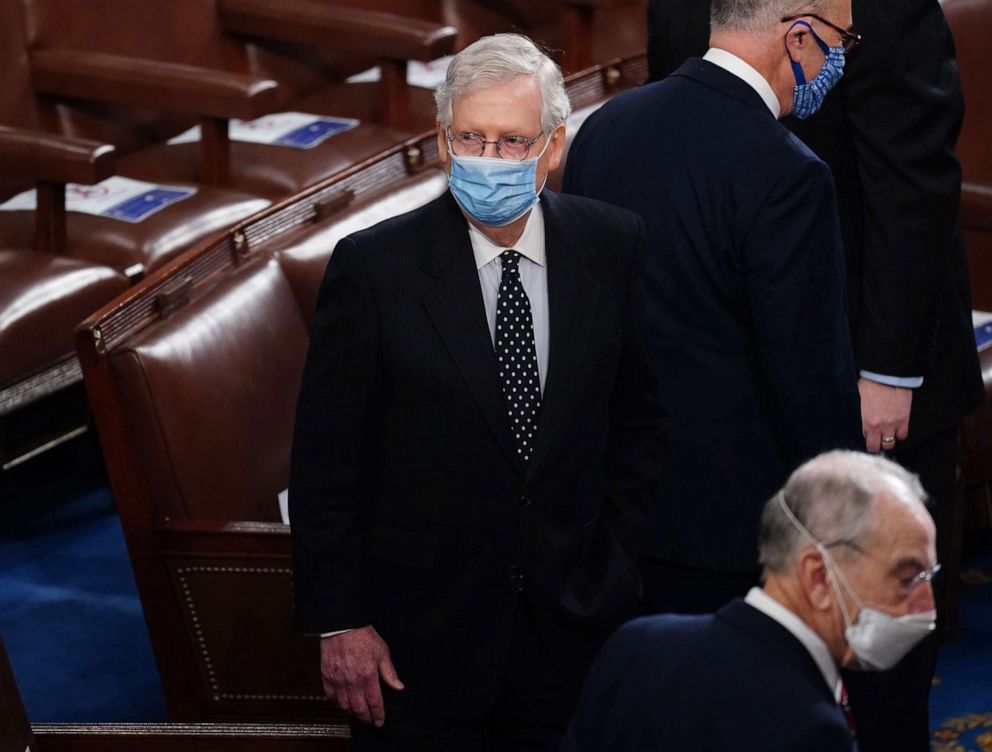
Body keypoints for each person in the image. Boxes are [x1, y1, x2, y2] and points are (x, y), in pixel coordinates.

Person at [289, 32, 666, 752]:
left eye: (512, 142)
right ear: (441, 141)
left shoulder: (611, 244)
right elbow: (325, 462)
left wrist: (613, 565)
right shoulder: (374, 270)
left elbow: (638, 420)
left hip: (573, 627)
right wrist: (338, 621)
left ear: (553, 148)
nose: (489, 160)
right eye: (472, 137)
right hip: (420, 643)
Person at [643, 1, 984, 748]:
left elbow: (914, 184)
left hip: (877, 365)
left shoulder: (885, 10)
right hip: (735, 375)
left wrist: (888, 370)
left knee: (882, 640)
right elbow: (677, 149)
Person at [564, 0, 862, 617]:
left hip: (613, 511)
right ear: (800, 37)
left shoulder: (604, 128)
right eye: (844, 39)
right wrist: (841, 529)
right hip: (735, 531)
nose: (842, 58)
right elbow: (808, 378)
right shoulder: (790, 174)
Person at [562, 450, 939, 752]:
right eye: (907, 578)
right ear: (818, 577)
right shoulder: (811, 731)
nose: (928, 606)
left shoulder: (636, 643)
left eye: (930, 577)